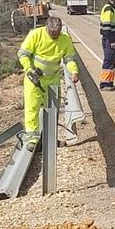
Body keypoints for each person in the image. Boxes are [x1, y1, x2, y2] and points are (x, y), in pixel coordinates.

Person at [17, 14, 78, 144]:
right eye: (52, 33)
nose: (54, 35)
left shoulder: (65, 39)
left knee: (52, 110)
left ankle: (49, 139)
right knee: (32, 108)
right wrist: (29, 69)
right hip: (34, 80)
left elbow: (69, 59)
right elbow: (23, 54)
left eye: (57, 33)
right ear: (46, 28)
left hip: (52, 80)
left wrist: (74, 71)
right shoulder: (35, 35)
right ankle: (32, 139)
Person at [97, 0, 115, 90]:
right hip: (109, 39)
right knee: (108, 60)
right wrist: (112, 40)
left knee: (112, 61)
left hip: (112, 39)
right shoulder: (108, 9)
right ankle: (104, 84)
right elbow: (107, 27)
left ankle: (110, 82)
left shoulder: (111, 9)